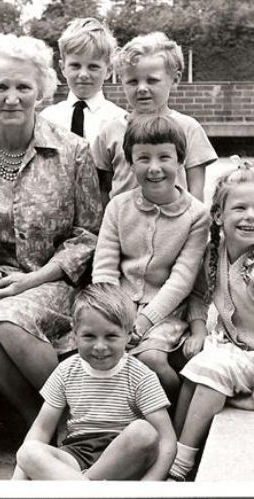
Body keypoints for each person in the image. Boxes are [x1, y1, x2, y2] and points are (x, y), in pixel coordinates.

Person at [0, 33, 102, 426]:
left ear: (41, 90)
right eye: (0, 86)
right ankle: (39, 421)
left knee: (11, 323)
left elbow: (87, 234)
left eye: (22, 86)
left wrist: (31, 280)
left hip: (50, 279)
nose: (11, 97)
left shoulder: (73, 151)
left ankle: (79, 418)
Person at [92, 115, 209, 401]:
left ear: (180, 160)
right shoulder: (118, 207)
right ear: (131, 163)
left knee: (151, 360)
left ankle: (173, 407)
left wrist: (143, 321)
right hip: (116, 304)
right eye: (143, 158)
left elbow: (182, 280)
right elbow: (104, 266)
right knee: (96, 353)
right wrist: (114, 312)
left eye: (164, 157)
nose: (154, 168)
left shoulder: (196, 215)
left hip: (165, 309)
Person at [13, 283, 176, 480]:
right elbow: (41, 429)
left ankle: (78, 489)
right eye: (89, 336)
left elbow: (167, 441)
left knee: (144, 432)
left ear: (129, 334)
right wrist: (17, 483)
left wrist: (147, 487)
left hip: (123, 457)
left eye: (111, 336)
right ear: (74, 334)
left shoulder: (140, 376)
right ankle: (88, 488)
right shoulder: (66, 371)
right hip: (75, 457)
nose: (100, 346)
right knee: (27, 452)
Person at [169, 160, 254, 481]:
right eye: (240, 207)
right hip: (232, 345)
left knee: (212, 371)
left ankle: (181, 465)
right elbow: (197, 297)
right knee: (196, 373)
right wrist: (198, 328)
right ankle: (172, 449)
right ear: (218, 215)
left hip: (251, 354)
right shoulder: (213, 254)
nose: (250, 216)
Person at [92, 32, 217, 207]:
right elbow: (103, 190)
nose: (142, 88)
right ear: (122, 81)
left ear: (175, 79)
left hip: (175, 228)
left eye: (152, 80)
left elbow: (196, 192)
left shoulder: (189, 128)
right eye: (133, 82)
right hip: (125, 228)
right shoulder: (110, 131)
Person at [41, 17, 126, 146]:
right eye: (75, 66)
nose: (83, 74)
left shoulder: (120, 121)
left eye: (93, 67)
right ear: (63, 68)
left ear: (108, 70)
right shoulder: (47, 119)